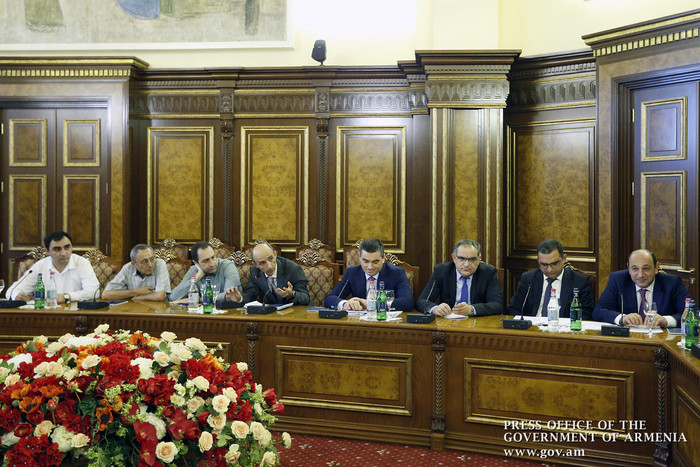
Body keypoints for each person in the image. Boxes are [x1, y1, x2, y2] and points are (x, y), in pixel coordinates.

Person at [593, 249, 691, 328]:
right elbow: (598, 311)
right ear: (629, 268)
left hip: (661, 340)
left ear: (656, 268)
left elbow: (692, 314)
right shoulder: (618, 280)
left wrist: (666, 320)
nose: (640, 275)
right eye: (635, 269)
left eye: (646, 268)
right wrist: (622, 318)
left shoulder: (672, 283)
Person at [507, 239, 594, 320]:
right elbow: (513, 308)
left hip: (563, 329)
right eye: (544, 265)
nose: (549, 269)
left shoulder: (579, 281)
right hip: (532, 328)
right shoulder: (528, 279)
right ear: (538, 261)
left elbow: (586, 314)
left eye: (554, 264)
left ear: (564, 259)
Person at [6, 231, 99, 303]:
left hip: (76, 314)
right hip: (48, 314)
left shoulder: (82, 263)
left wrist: (66, 297)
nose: (63, 253)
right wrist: (16, 295)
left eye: (67, 247)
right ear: (47, 251)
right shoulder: (40, 266)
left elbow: (94, 291)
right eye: (57, 249)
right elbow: (11, 290)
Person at [416, 239, 503, 316]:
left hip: (478, 323)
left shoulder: (488, 273)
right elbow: (422, 301)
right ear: (454, 258)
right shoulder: (441, 271)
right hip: (447, 322)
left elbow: (497, 305)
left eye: (472, 259)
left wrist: (472, 309)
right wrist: (435, 308)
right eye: (462, 259)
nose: (466, 264)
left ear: (479, 259)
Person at [324, 238, 414, 311]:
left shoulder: (396, 273)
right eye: (365, 261)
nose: (370, 267)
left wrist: (374, 304)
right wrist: (344, 304)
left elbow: (408, 302)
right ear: (360, 258)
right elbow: (330, 298)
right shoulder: (352, 273)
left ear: (383, 258)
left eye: (375, 262)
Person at [219, 242, 310, 307]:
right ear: (255, 264)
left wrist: (292, 294)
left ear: (275, 254)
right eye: (262, 263)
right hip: (274, 315)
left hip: (297, 314)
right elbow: (251, 294)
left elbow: (306, 298)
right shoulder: (255, 272)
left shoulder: (293, 269)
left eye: (271, 258)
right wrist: (240, 299)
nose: (269, 266)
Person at [170, 241, 241, 302]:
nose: (212, 264)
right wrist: (197, 278)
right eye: (206, 261)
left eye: (213, 257)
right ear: (196, 263)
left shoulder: (227, 266)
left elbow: (230, 296)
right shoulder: (194, 270)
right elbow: (173, 297)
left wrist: (199, 299)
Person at [102, 244, 171, 301]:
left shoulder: (159, 264)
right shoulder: (127, 268)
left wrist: (138, 298)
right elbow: (105, 295)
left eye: (152, 259)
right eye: (144, 261)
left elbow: (160, 296)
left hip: (158, 309)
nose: (150, 265)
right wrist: (136, 292)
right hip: (134, 309)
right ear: (134, 264)